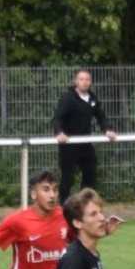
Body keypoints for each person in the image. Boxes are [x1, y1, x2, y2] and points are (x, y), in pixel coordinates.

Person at [52, 69, 117, 204]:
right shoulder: (68, 98)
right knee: (67, 178)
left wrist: (107, 130)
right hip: (69, 145)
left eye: (87, 79)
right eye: (81, 79)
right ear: (76, 81)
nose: (84, 82)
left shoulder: (92, 99)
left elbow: (101, 117)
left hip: (85, 144)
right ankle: (63, 207)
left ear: (90, 82)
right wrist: (59, 133)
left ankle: (84, 204)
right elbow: (57, 118)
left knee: (90, 172)